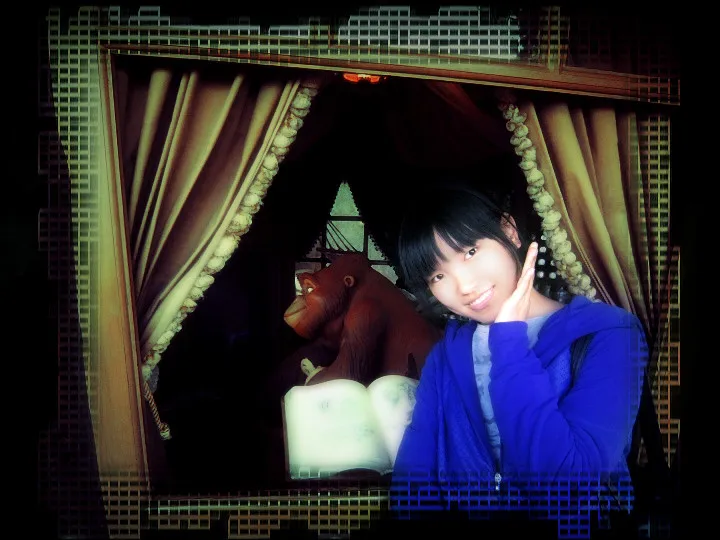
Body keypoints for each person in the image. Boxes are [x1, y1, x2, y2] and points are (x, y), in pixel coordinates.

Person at [389, 183, 648, 535]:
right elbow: (412, 489)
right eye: (438, 275)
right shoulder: (446, 358)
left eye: (470, 251)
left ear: (509, 231)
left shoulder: (610, 334)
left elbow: (571, 489)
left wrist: (509, 342)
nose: (463, 286)